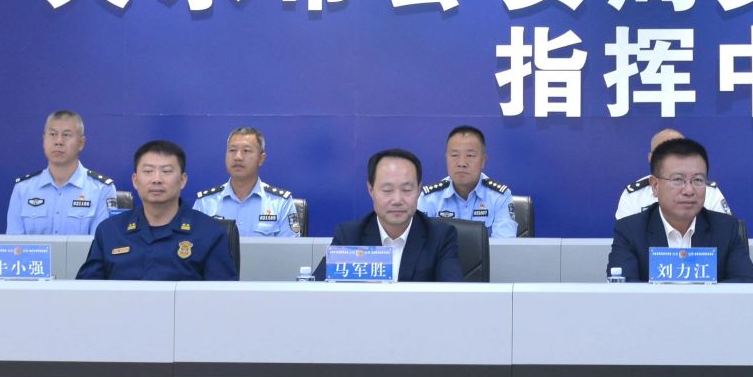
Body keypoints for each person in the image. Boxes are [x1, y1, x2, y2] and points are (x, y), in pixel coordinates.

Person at [77, 140, 237, 280]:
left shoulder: (210, 233)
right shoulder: (110, 232)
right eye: (148, 171)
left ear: (182, 180)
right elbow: (85, 292)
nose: (157, 179)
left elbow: (222, 297)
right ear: (135, 180)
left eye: (166, 171)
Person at [606, 136, 753, 282]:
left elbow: (746, 284)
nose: (689, 190)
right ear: (655, 186)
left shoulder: (726, 228)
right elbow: (623, 288)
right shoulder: (630, 230)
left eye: (698, 180)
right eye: (678, 180)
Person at [314, 148, 464, 282]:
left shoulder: (440, 237)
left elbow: (453, 295)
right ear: (371, 190)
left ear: (419, 190)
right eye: (387, 190)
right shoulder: (349, 237)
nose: (397, 200)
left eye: (406, 190)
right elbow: (318, 290)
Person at [5, 109, 118, 236]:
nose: (58, 141)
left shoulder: (102, 190)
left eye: (66, 135)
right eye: (52, 134)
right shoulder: (23, 189)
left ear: (81, 143)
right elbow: (14, 244)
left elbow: (102, 244)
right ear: (44, 140)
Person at [193, 127, 304, 238]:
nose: (238, 157)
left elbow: (291, 248)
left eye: (246, 151)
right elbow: (194, 245)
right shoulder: (205, 203)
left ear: (261, 159)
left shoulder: (280, 203)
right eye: (232, 150)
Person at [418, 125, 520, 239]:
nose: (462, 163)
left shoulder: (500, 197)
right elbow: (419, 243)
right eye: (455, 155)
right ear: (446, 158)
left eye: (470, 155)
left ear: (483, 161)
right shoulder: (429, 198)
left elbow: (504, 245)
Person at [616, 127, 733, 219]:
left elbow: (724, 232)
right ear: (651, 158)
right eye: (664, 154)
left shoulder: (709, 191)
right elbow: (627, 236)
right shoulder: (634, 196)